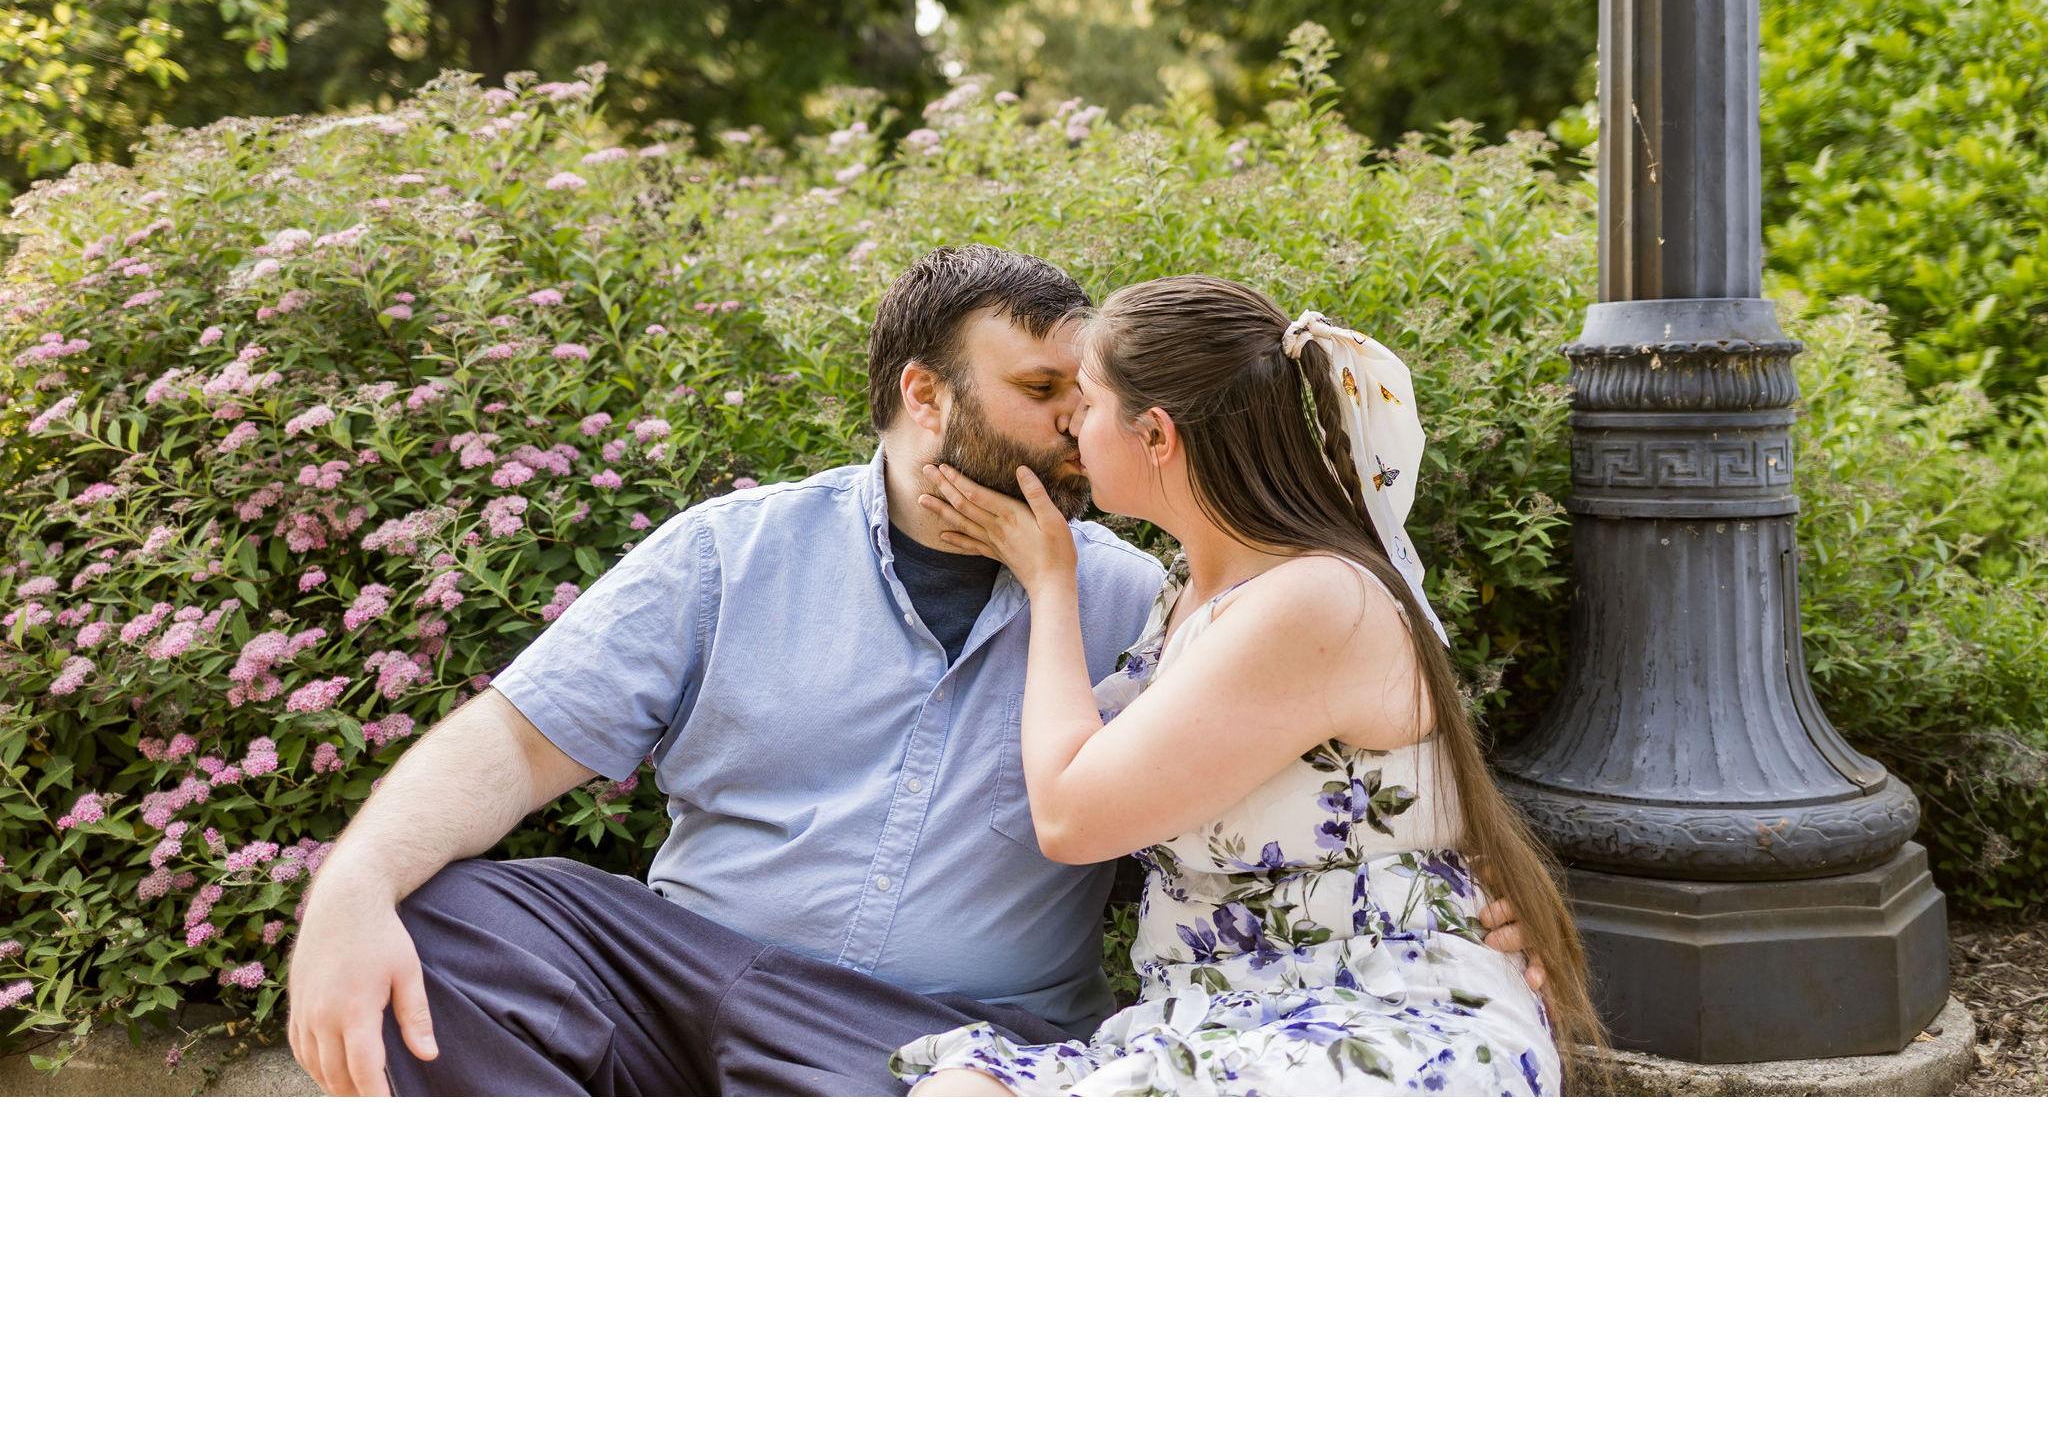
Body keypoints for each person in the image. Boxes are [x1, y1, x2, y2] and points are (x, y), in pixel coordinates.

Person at [286, 245, 1537, 1096]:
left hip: (924, 1038)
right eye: (1042, 388)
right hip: (689, 968)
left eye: (1082, 396)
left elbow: (1349, 771)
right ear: (925, 396)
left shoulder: (1130, 594)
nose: (1068, 421)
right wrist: (350, 884)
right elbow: (511, 740)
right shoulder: (733, 553)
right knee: (443, 914)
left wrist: (1471, 910)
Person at [894, 274, 1597, 1098]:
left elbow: (1070, 815)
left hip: (1374, 1017)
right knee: (959, 1095)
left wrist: (1051, 583)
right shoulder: (1182, 596)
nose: (1069, 426)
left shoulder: (1314, 602)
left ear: (1155, 436)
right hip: (1218, 1016)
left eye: (1084, 400)